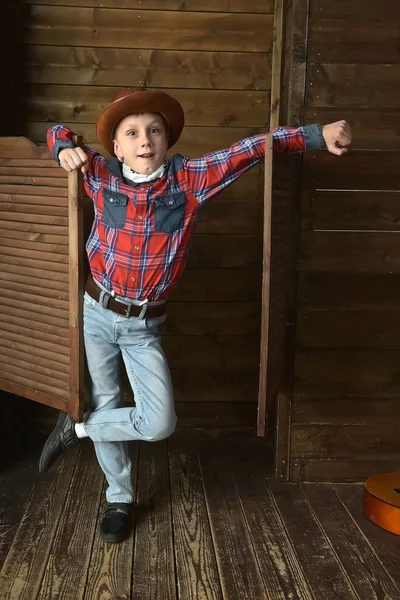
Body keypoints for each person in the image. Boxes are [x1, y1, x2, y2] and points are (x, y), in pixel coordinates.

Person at [39, 88, 352, 543]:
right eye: (132, 133)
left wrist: (315, 136)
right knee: (107, 398)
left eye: (154, 130)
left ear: (166, 139)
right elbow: (54, 133)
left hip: (143, 324)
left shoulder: (190, 179)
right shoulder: (99, 173)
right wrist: (65, 147)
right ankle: (119, 498)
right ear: (117, 147)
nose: (144, 140)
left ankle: (79, 427)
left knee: (158, 421)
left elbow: (251, 149)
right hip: (95, 310)